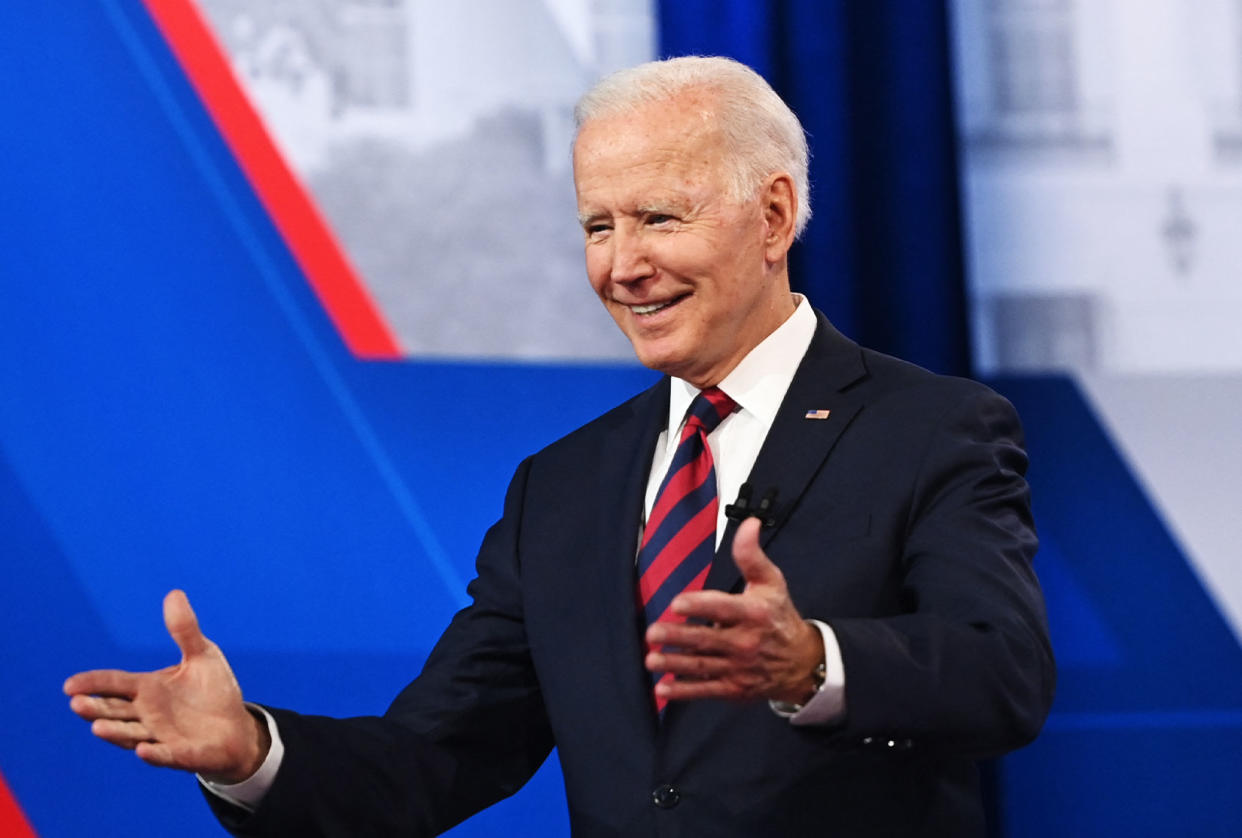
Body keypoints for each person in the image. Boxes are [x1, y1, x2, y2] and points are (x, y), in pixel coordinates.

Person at [64, 56, 1055, 837]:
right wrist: (251, 753)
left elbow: (1002, 672)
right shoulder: (565, 488)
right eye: (597, 224)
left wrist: (812, 664)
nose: (624, 266)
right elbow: (434, 757)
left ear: (774, 215)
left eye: (659, 217)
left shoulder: (931, 427)